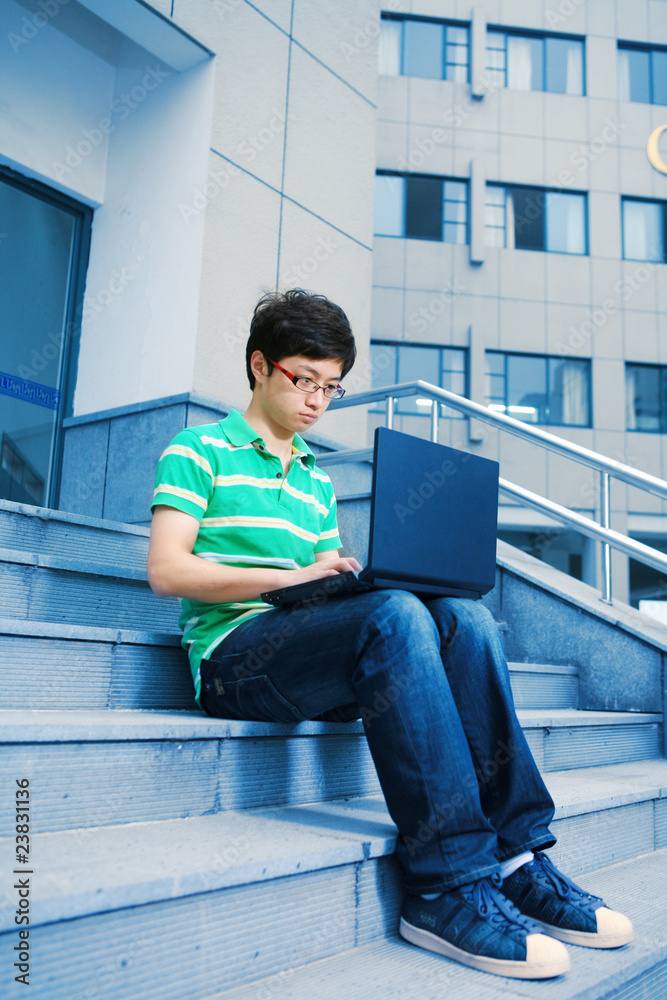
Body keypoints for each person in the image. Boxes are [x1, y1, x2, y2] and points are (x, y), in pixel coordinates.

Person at [147, 288, 633, 980]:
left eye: (331, 386)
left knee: (459, 616)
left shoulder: (315, 480)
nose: (317, 400)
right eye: (303, 380)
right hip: (233, 658)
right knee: (395, 614)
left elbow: (317, 584)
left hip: (302, 645)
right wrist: (287, 580)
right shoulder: (198, 451)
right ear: (259, 365)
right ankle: (444, 886)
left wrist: (332, 578)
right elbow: (167, 570)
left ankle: (517, 854)